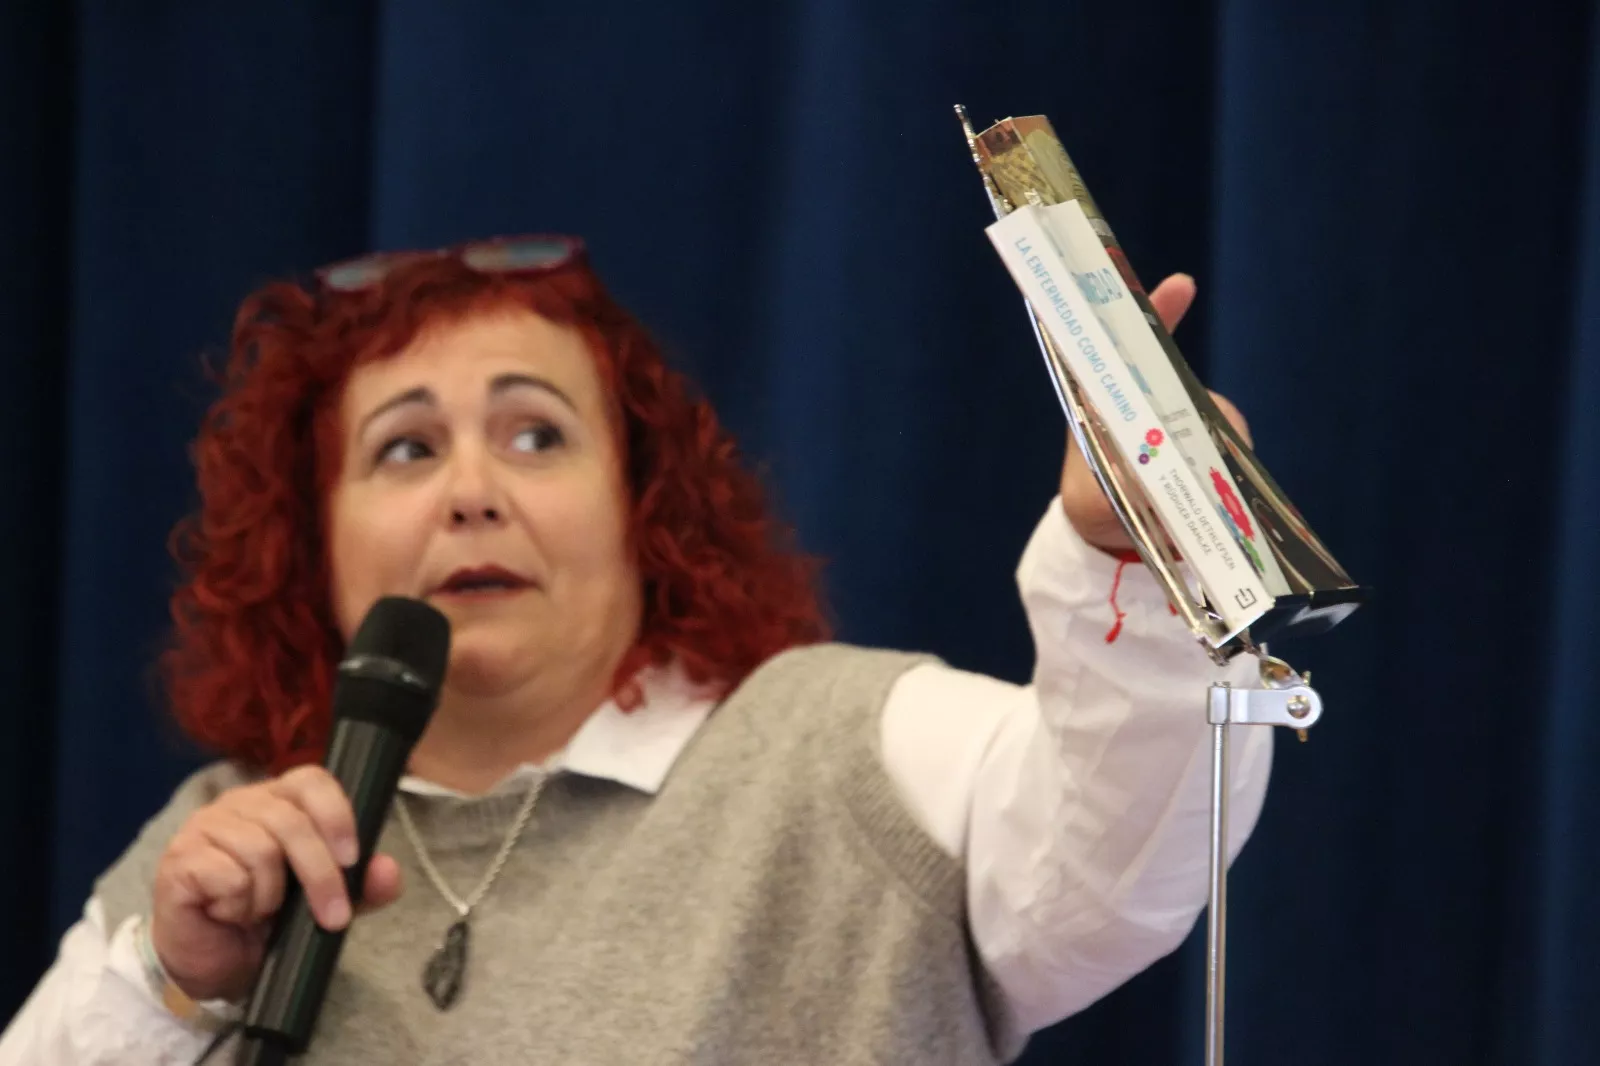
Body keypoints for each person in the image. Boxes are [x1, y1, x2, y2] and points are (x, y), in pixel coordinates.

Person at [0, 236, 1269, 1065]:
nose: (471, 492)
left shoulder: (845, 745)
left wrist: (1128, 554)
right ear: (309, 539)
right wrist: (174, 989)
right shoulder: (226, 841)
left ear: (641, 509)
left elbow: (1119, 864)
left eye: (536, 435)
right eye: (405, 448)